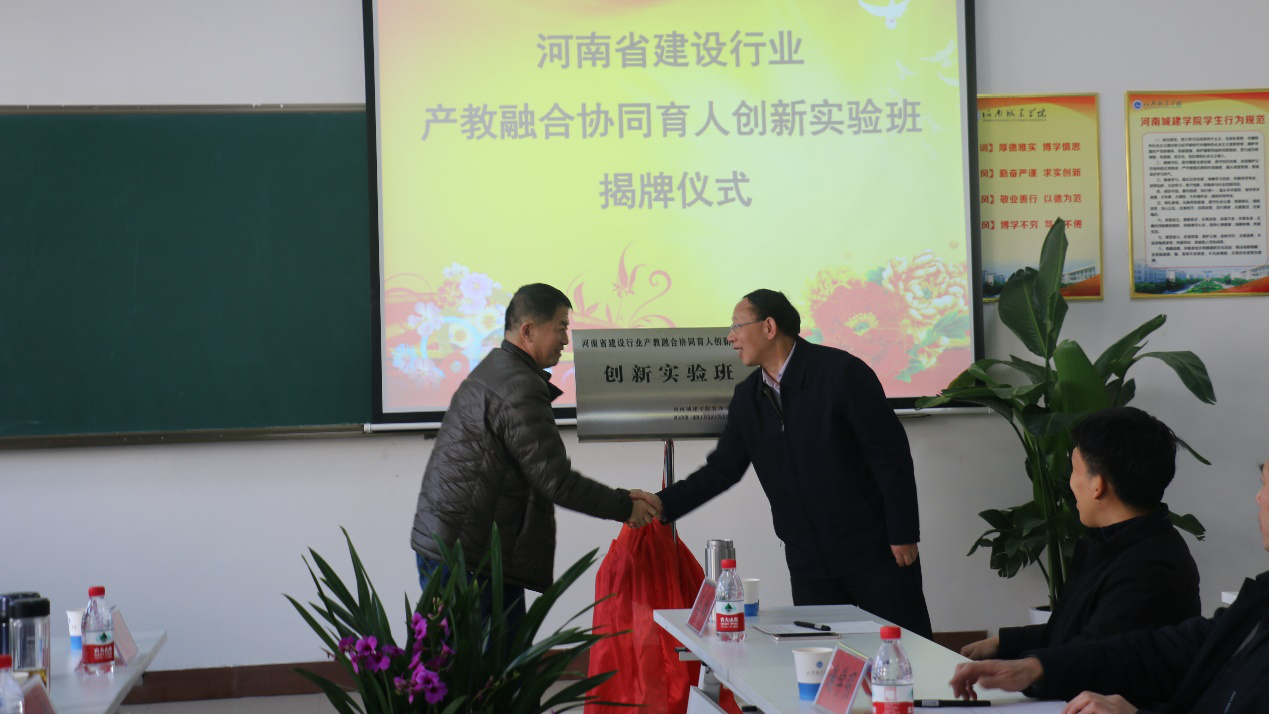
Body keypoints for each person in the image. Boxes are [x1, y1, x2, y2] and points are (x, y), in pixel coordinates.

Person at [632, 289, 932, 637]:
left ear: (769, 327)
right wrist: (663, 503)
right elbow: (722, 470)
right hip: (808, 565)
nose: (730, 337)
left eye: (737, 326)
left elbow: (890, 456)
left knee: (903, 651)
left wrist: (903, 532)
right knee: (824, 659)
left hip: (874, 553)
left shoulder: (841, 373)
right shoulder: (748, 398)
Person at [410, 283, 659, 629]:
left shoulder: (499, 370)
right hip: (470, 560)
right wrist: (625, 506)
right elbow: (556, 481)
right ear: (528, 330)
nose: (566, 340)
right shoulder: (519, 387)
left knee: (472, 660)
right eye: (561, 327)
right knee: (489, 662)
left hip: (459, 547)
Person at [948, 460, 1269, 714]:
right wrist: (1038, 666)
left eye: (1266, 484)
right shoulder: (1261, 598)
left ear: (1098, 484)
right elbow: (1168, 648)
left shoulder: (1151, 563)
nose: (1258, 496)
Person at [961, 407, 1200, 661]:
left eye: (1074, 469)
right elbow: (1072, 633)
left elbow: (1087, 661)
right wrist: (1003, 642)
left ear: (1097, 485)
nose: (1071, 483)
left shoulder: (1147, 570)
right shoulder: (1122, 542)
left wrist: (1015, 670)